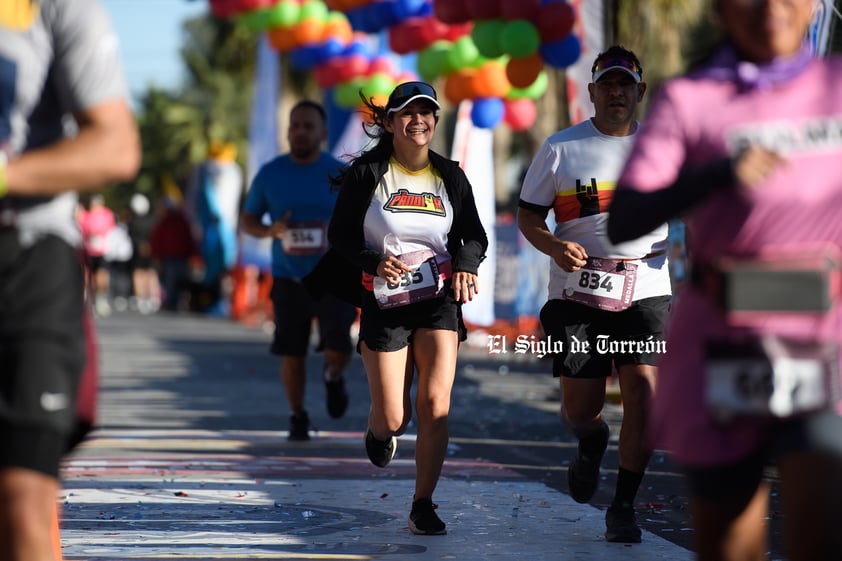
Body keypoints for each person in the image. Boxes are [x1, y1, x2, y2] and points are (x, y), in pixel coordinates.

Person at [606, 1, 842, 559]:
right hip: (722, 339)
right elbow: (626, 220)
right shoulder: (691, 100)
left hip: (821, 336)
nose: (770, 9)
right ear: (719, 11)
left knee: (823, 530)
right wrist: (717, 174)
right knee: (731, 544)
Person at [310, 81, 487, 535]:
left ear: (434, 121)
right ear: (388, 123)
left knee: (435, 403)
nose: (417, 120)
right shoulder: (368, 174)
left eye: (426, 112)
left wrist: (466, 265)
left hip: (438, 300)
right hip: (386, 300)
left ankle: (422, 504)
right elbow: (341, 237)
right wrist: (373, 262)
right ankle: (378, 432)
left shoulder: (450, 175)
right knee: (395, 416)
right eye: (407, 113)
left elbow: (475, 235)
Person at [0, 1, 141, 559]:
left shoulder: (56, 7)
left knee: (22, 495)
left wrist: (6, 175)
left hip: (26, 262)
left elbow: (116, 145)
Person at [517, 46, 671, 543]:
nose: (617, 93)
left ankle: (623, 505)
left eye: (626, 85)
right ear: (592, 92)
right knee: (580, 409)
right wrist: (555, 246)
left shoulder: (665, 148)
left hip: (645, 284)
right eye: (608, 84)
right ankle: (592, 440)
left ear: (640, 92)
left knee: (643, 397)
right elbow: (528, 217)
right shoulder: (561, 147)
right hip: (577, 293)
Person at [241, 100, 357, 441]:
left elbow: (363, 218)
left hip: (335, 276)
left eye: (308, 126)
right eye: (295, 126)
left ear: (322, 133)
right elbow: (248, 219)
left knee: (339, 348)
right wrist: (269, 231)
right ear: (288, 131)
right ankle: (297, 414)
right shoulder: (271, 173)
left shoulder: (340, 173)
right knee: (292, 351)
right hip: (289, 276)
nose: (300, 132)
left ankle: (334, 376)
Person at [184, 140, 243, 316]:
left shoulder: (231, 170)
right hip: (211, 228)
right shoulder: (204, 170)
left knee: (222, 266)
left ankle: (215, 301)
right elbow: (198, 200)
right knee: (211, 268)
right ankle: (208, 301)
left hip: (223, 228)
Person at [78, 193, 117, 316]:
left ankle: (102, 298)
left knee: (102, 274)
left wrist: (97, 232)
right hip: (89, 249)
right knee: (89, 276)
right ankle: (91, 300)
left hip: (103, 250)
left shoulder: (107, 214)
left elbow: (110, 228)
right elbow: (82, 228)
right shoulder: (86, 215)